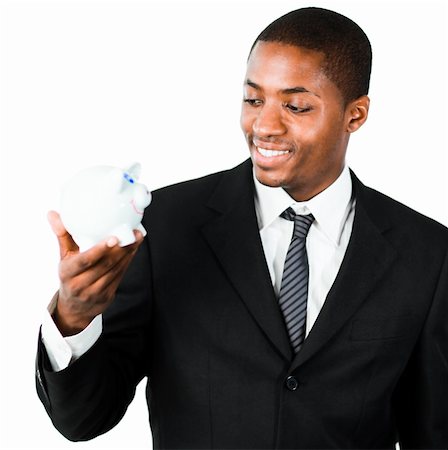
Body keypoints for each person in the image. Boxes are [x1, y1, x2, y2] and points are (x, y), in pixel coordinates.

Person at [36, 7, 448, 449]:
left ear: (356, 114)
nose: (264, 126)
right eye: (254, 100)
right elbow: (81, 421)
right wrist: (75, 318)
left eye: (296, 105)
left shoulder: (427, 254)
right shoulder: (165, 226)